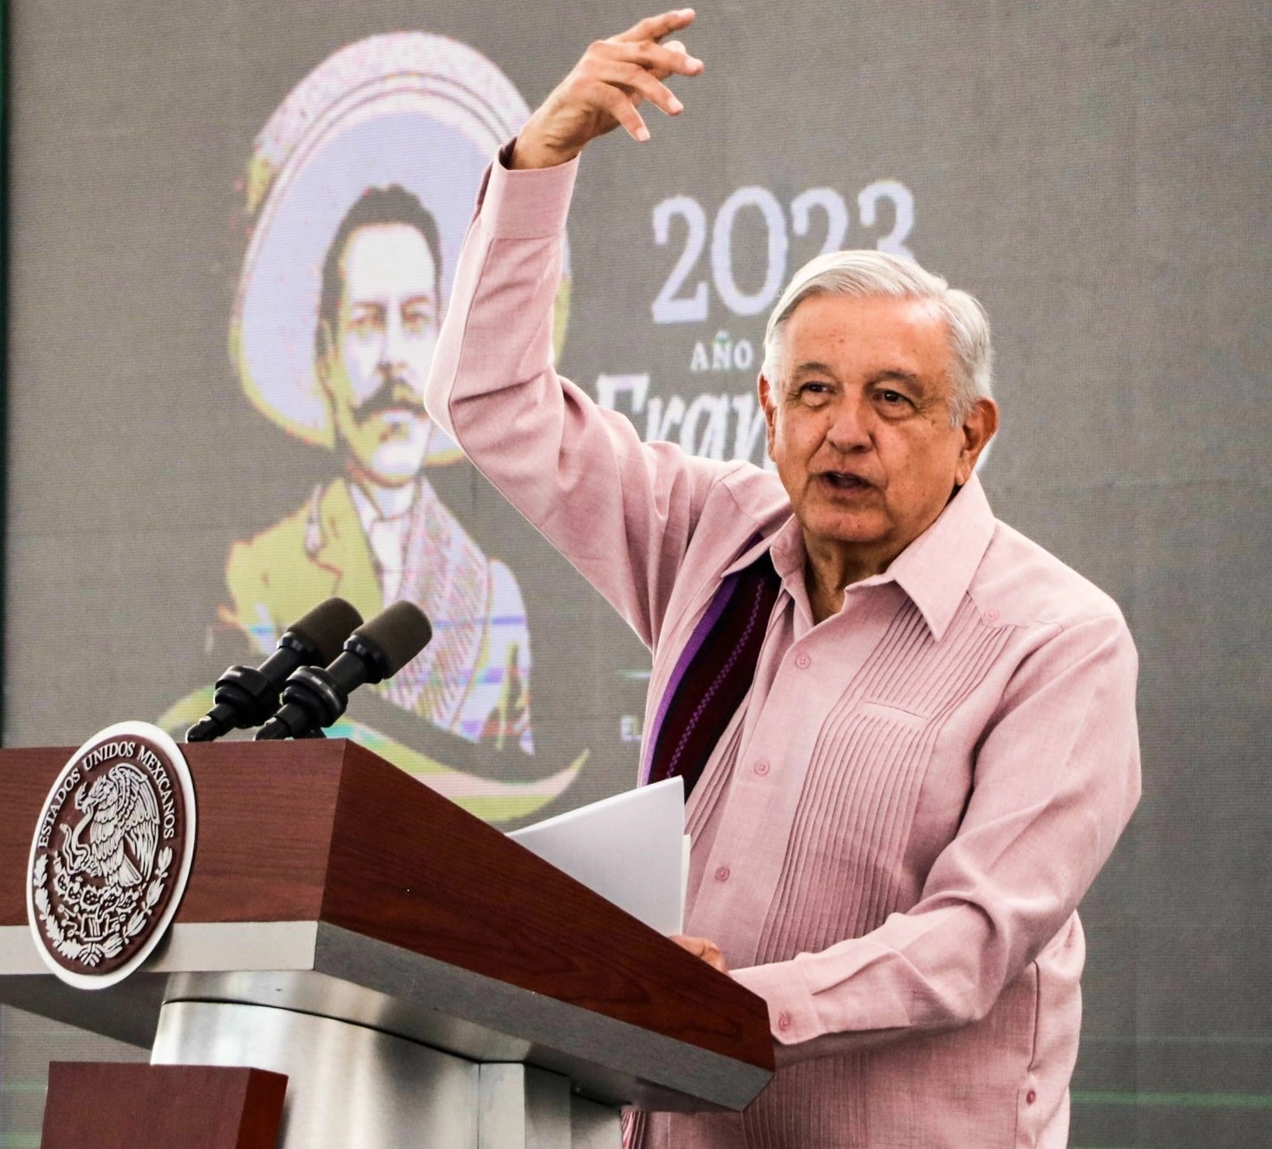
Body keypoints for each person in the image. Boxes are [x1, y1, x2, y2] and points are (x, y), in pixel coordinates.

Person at [423, 9, 1141, 1147]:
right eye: (812, 393)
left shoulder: (1058, 638)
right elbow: (495, 408)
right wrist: (537, 161)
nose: (843, 433)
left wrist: (723, 1012)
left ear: (972, 433)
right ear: (768, 411)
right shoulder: (715, 536)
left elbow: (968, 946)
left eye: (892, 400)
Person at [223, 184, 533, 751]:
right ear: (326, 353)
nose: (394, 357)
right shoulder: (258, 576)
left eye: (416, 321)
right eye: (367, 322)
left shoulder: (491, 596)